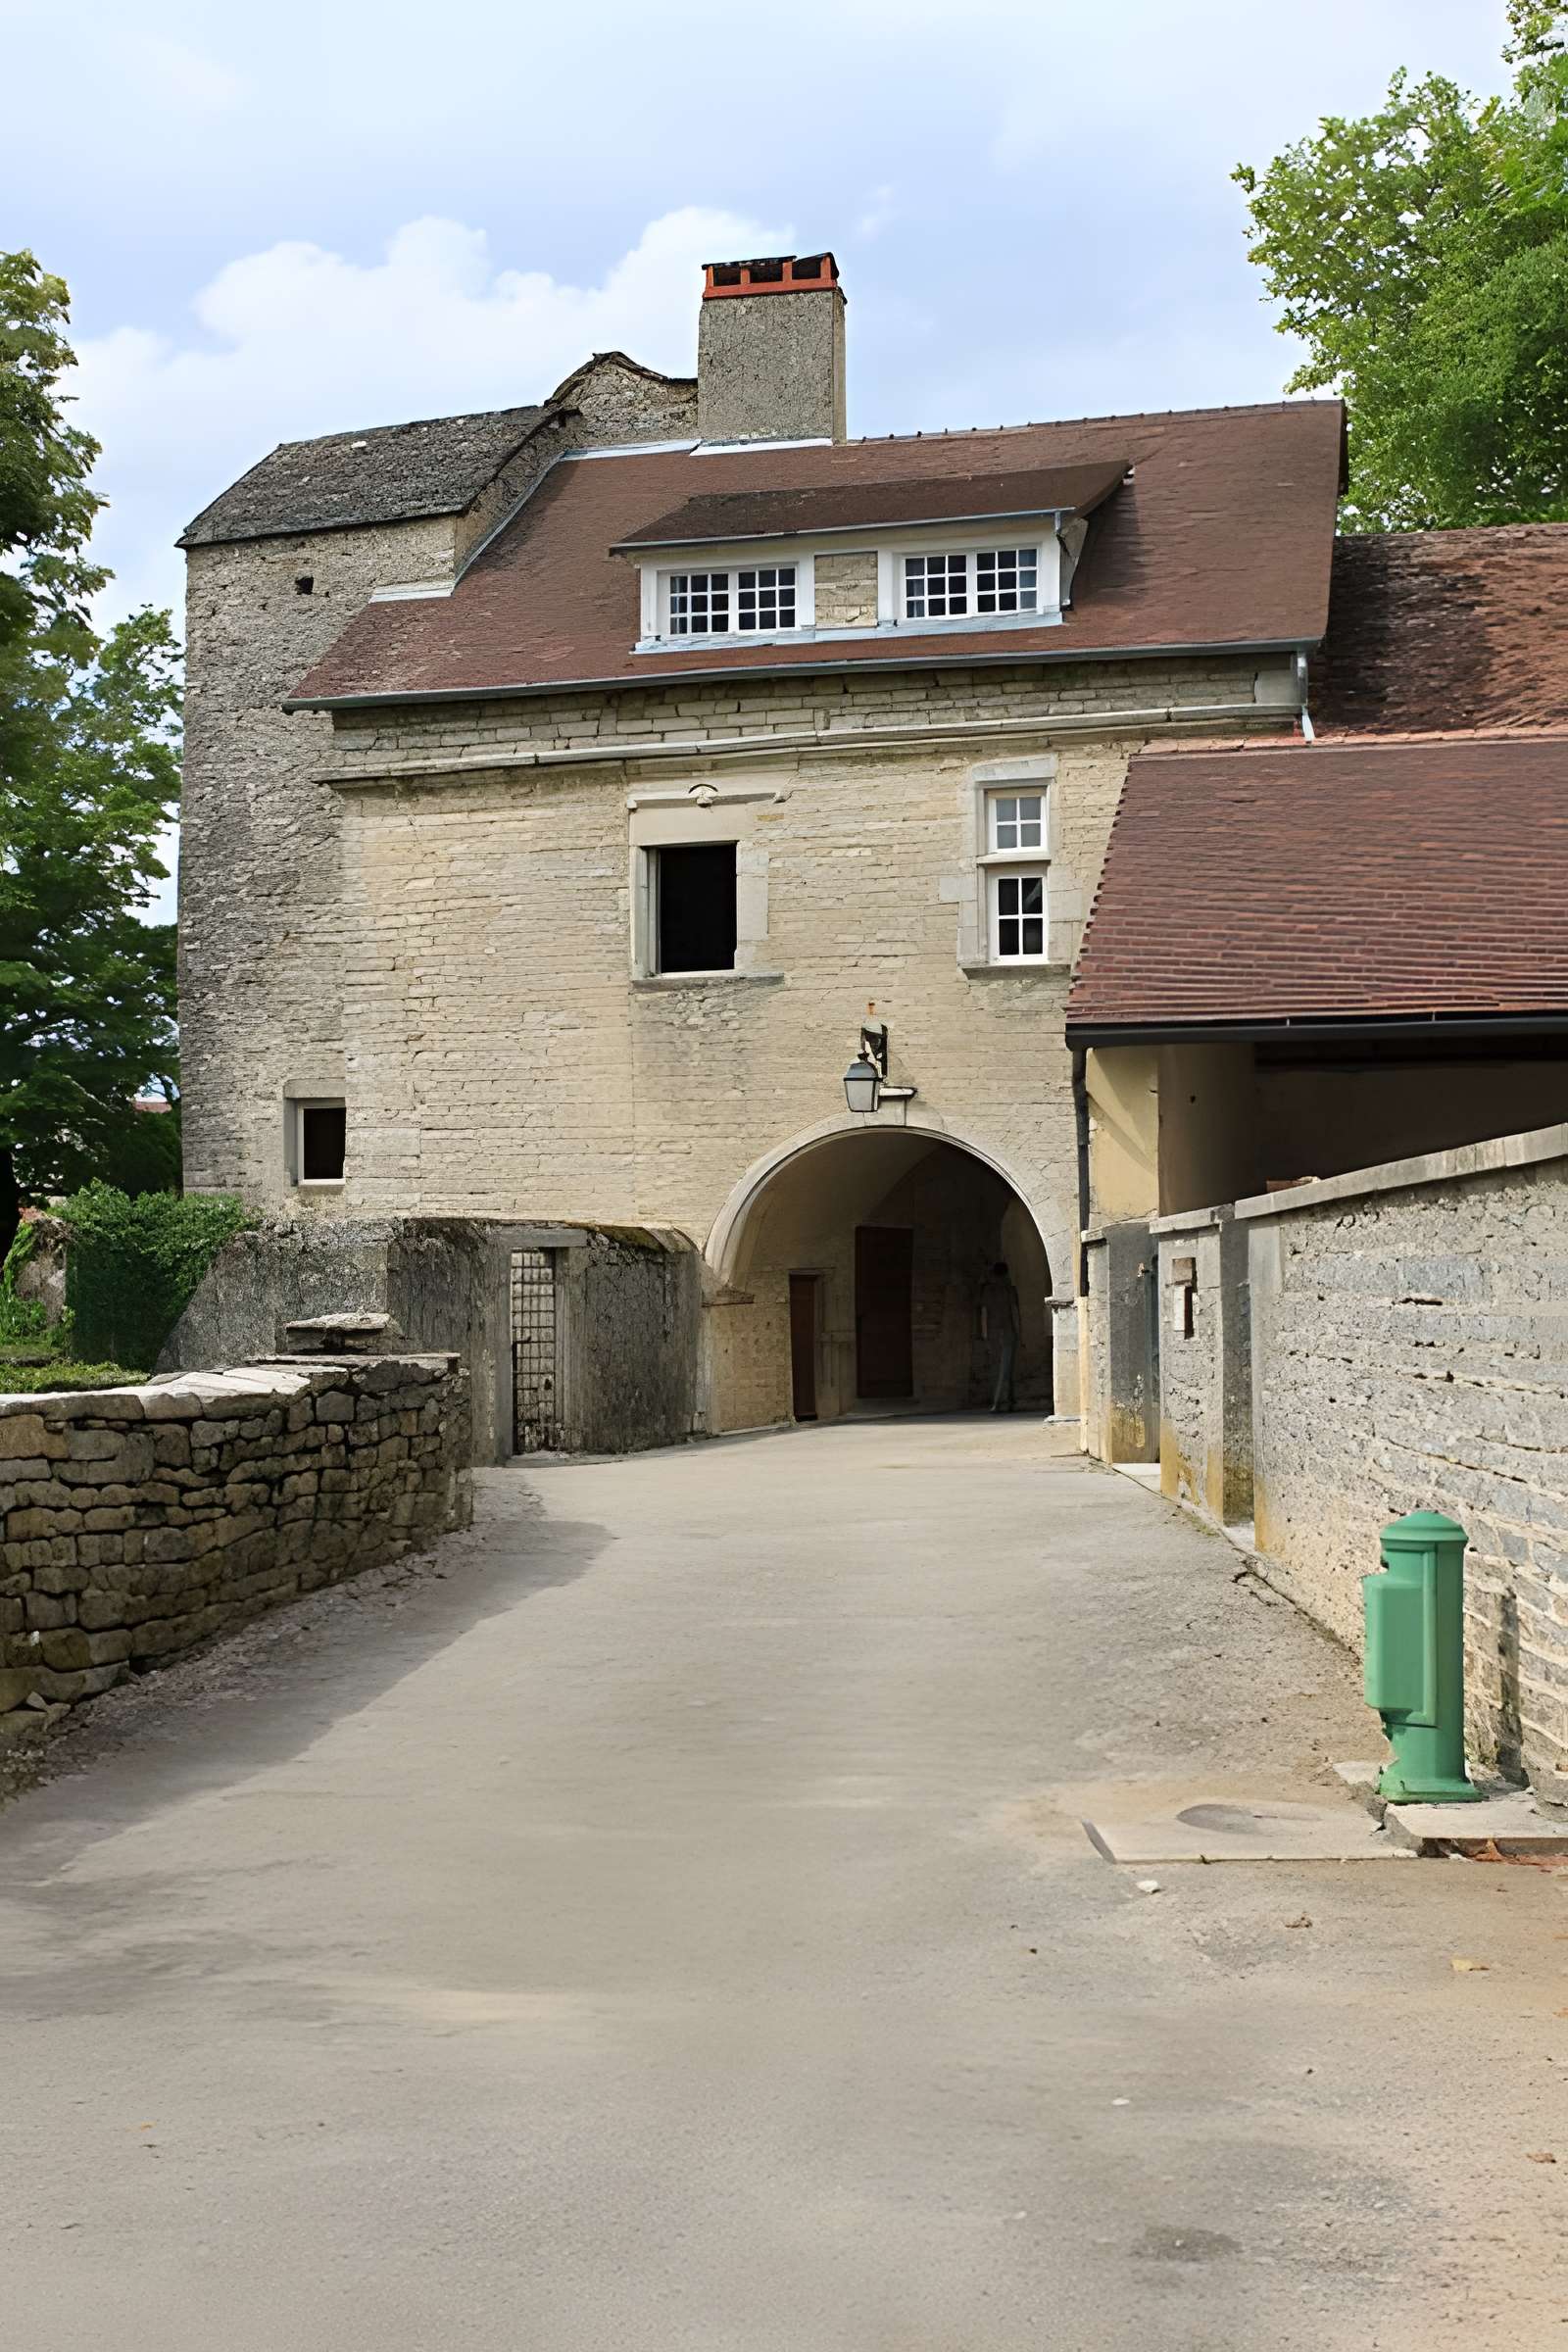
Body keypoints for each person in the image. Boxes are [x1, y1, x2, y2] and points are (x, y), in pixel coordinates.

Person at [980, 1259, 1021, 1413]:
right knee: (1006, 1369)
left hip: (992, 1334)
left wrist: (984, 1335)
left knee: (998, 1369)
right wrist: (1019, 1334)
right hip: (1008, 1333)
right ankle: (999, 1402)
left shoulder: (987, 1291)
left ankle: (1007, 1401)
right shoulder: (1010, 1290)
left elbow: (983, 1315)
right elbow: (1014, 1314)